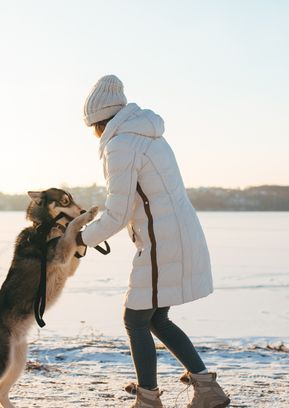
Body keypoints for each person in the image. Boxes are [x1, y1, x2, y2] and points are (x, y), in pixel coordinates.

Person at [76, 75, 230, 408]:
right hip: (173, 235)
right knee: (156, 319)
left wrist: (79, 238)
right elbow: (135, 201)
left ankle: (148, 400)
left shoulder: (121, 145)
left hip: (162, 243)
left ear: (99, 121)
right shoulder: (149, 136)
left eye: (92, 127)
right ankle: (207, 390)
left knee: (135, 319)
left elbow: (117, 212)